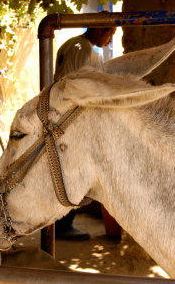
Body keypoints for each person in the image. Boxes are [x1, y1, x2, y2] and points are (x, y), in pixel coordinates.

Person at [54, 25, 116, 241]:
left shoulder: (73, 44)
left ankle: (62, 223)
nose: (111, 39)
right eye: (110, 34)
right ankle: (63, 224)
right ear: (100, 30)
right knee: (73, 173)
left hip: (65, 115)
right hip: (72, 117)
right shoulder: (82, 49)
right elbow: (80, 86)